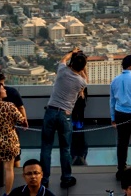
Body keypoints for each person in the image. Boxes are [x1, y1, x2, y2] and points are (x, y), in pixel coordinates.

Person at [40, 47, 87, 189]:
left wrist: (71, 53)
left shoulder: (62, 71)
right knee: (65, 148)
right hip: (65, 115)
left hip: (50, 111)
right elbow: (84, 78)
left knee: (46, 147)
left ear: (71, 63)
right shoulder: (81, 82)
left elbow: (63, 60)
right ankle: (66, 177)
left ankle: (44, 179)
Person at [0, 68, 28, 167]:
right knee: (14, 160)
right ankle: (15, 180)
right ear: (4, 78)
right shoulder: (12, 92)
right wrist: (24, 121)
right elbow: (21, 108)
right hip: (11, 132)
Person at [71, 87, 88, 166]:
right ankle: (80, 156)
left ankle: (77, 156)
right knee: (80, 137)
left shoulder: (72, 88)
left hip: (75, 119)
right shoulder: (82, 92)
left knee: (75, 137)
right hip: (79, 120)